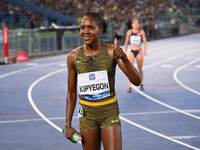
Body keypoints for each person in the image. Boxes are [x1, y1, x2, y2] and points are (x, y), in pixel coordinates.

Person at [65, 12, 141, 150]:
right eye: (83, 27)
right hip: (87, 115)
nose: (85, 32)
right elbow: (71, 93)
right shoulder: (73, 57)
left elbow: (136, 81)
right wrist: (67, 125)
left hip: (109, 112)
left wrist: (124, 57)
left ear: (100, 30)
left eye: (90, 28)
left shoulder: (112, 52)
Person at [124, 18, 147, 92]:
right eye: (134, 23)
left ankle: (141, 83)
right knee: (130, 69)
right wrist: (125, 51)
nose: (136, 24)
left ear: (139, 24)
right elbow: (126, 42)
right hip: (131, 51)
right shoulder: (129, 32)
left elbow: (145, 41)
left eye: (137, 23)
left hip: (139, 51)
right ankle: (130, 86)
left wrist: (144, 50)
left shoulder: (141, 31)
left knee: (140, 68)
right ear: (132, 24)